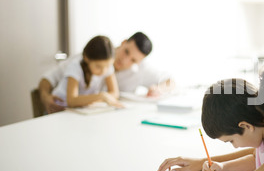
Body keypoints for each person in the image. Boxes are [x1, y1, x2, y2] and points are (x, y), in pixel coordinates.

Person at [39, 31, 173, 113]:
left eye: (133, 60)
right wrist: (44, 96)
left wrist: (159, 89)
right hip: (62, 112)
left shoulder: (136, 69)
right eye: (126, 52)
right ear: (123, 42)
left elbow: (169, 80)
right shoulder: (82, 60)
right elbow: (49, 80)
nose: (125, 61)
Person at [51, 35, 122, 108]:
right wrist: (101, 96)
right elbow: (71, 101)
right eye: (98, 66)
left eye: (107, 66)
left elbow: (115, 93)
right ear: (86, 58)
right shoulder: (75, 66)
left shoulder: (107, 67)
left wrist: (102, 97)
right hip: (58, 106)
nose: (103, 71)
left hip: (78, 109)